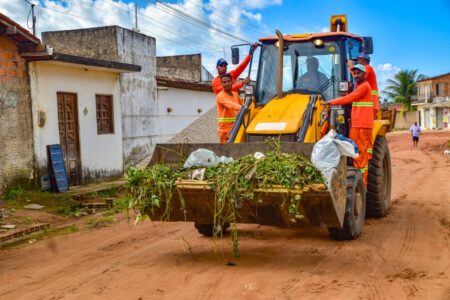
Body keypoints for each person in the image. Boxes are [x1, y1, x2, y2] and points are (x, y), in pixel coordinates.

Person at [321, 64, 374, 186]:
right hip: (358, 125)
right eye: (354, 73)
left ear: (364, 74)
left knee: (359, 155)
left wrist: (330, 102)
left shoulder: (364, 87)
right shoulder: (360, 85)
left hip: (362, 126)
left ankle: (362, 185)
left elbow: (349, 98)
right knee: (356, 153)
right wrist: (349, 64)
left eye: (358, 73)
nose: (355, 75)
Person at [348, 53, 380, 118]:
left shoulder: (367, 67)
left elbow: (360, 76)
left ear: (364, 61)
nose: (356, 62)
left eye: (358, 60)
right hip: (367, 104)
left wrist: (350, 66)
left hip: (369, 104)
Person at [216, 73, 243, 144]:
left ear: (232, 82)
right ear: (221, 84)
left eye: (228, 81)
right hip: (225, 130)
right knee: (226, 152)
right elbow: (231, 105)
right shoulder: (220, 96)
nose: (227, 83)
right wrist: (243, 108)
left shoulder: (236, 95)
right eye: (224, 82)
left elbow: (242, 104)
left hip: (235, 127)